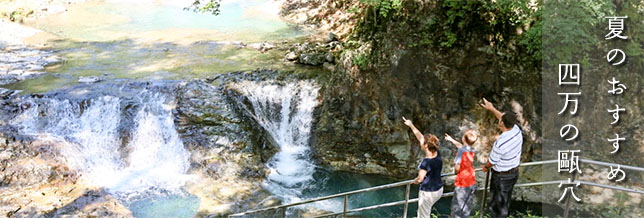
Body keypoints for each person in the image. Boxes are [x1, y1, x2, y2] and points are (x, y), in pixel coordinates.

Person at [480, 98, 523, 218]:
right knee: (505, 202)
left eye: (500, 120)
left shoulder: (501, 143)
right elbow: (503, 117)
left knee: (497, 207)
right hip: (513, 173)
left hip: (501, 177)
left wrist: (485, 167)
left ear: (501, 123)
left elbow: (492, 162)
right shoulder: (516, 130)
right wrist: (492, 108)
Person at [403, 117, 443, 218]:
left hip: (428, 193)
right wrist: (411, 125)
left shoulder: (426, 162)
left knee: (423, 216)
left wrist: (414, 181)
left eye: (422, 142)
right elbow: (421, 137)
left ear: (425, 146)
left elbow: (420, 178)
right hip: (438, 189)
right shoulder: (437, 152)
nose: (420, 141)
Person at [445, 130, 478, 218]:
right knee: (466, 207)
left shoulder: (461, 151)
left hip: (462, 182)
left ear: (463, 138)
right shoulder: (471, 149)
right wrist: (451, 140)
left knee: (457, 207)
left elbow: (457, 166)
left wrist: (456, 172)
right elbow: (461, 146)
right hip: (471, 180)